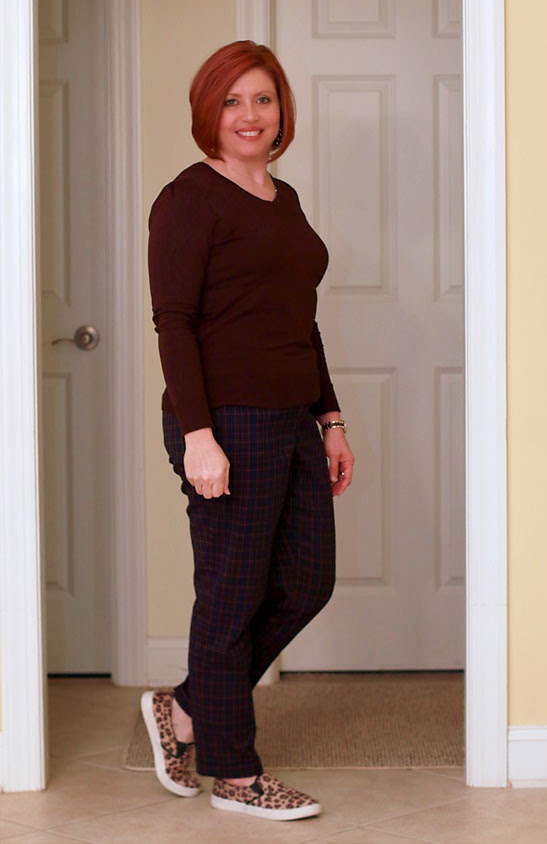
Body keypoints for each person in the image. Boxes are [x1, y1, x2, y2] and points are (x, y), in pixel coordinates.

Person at [142, 40, 354, 822]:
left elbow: (303, 323)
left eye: (263, 98)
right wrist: (199, 435)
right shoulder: (188, 198)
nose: (249, 115)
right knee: (232, 596)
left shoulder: (282, 198)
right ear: (208, 110)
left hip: (292, 420)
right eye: (232, 100)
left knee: (306, 581)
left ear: (281, 111)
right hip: (226, 422)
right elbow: (174, 322)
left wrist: (330, 419)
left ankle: (188, 706)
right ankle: (234, 773)